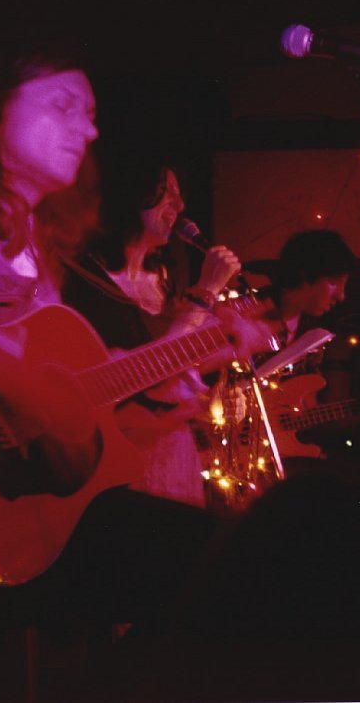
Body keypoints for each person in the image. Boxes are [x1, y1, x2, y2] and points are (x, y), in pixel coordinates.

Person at [0, 41, 273, 643]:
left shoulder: (32, 243)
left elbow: (61, 381)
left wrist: (175, 364)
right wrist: (20, 382)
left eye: (90, 114)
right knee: (222, 565)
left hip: (13, 500)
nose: (88, 129)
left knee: (216, 561)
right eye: (64, 105)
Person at [61, 157, 245, 507]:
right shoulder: (85, 280)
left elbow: (179, 371)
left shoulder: (164, 280)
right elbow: (146, 370)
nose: (180, 205)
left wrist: (215, 380)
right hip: (115, 457)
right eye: (167, 192)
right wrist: (206, 291)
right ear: (132, 195)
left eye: (180, 194)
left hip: (173, 453)